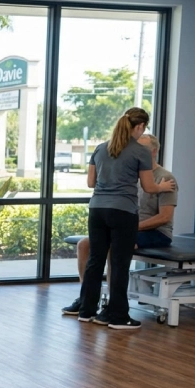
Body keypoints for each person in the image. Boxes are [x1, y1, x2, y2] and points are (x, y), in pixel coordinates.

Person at [75, 109, 176, 330]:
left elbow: (91, 183)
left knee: (95, 261)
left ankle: (86, 311)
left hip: (97, 210)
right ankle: (118, 317)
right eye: (144, 129)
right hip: (122, 211)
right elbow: (149, 187)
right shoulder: (139, 151)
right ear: (139, 127)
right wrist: (162, 186)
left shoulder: (101, 148)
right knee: (120, 264)